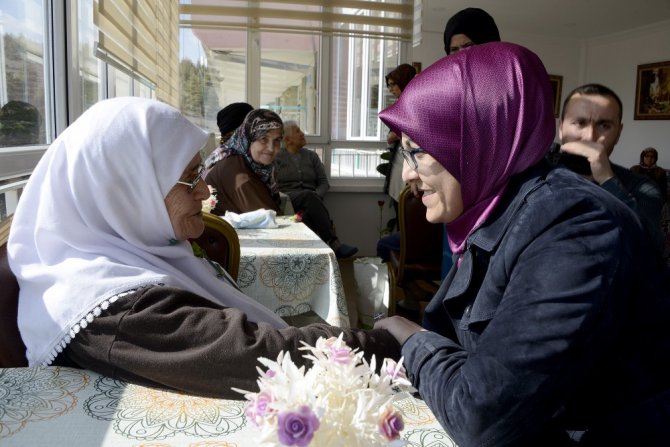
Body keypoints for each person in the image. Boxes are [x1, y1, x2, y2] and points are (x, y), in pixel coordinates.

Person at [375, 43, 670, 446]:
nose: (408, 175)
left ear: (480, 139)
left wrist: (411, 337)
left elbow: (482, 414)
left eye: (419, 151)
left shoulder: (575, 225)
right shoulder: (500, 209)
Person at [7, 97, 400, 399]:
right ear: (124, 192)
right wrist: (391, 342)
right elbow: (255, 353)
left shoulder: (125, 257)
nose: (204, 190)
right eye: (189, 178)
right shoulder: (106, 304)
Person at [556, 83, 665, 254]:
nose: (590, 136)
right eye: (579, 123)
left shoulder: (642, 187)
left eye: (604, 126)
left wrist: (608, 181)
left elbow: (652, 248)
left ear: (619, 133)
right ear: (561, 128)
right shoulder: (534, 173)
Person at [275, 121, 358, 258]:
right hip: (289, 199)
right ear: (287, 139)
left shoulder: (312, 156)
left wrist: (316, 197)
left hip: (311, 201)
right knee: (308, 196)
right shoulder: (277, 157)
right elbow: (273, 184)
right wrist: (312, 197)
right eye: (297, 131)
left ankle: (313, 259)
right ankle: (334, 243)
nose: (302, 134)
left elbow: (324, 183)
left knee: (306, 217)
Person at [204, 108, 283, 215]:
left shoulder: (251, 165)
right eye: (263, 138)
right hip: (220, 231)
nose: (271, 148)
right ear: (248, 138)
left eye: (277, 140)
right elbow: (269, 216)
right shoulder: (235, 171)